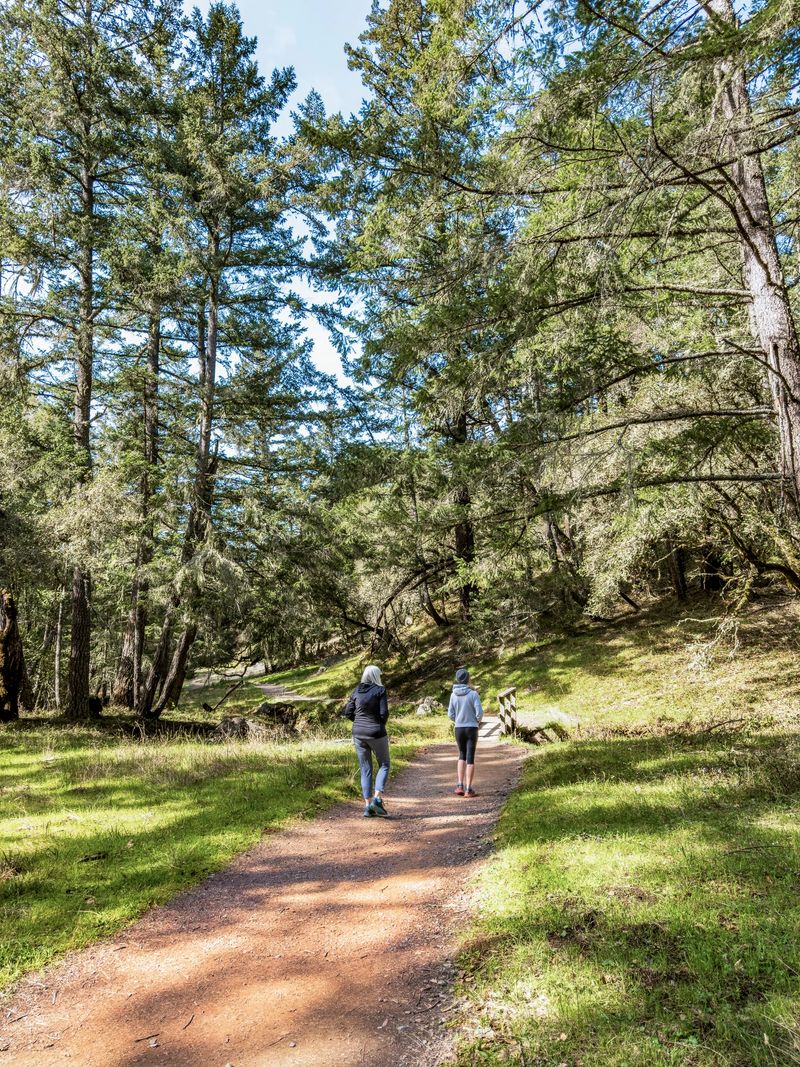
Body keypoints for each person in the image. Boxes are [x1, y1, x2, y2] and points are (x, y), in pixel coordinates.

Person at [342, 664, 391, 817]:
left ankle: (368, 807)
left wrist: (359, 722)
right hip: (376, 732)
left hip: (358, 733)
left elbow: (348, 712)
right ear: (377, 676)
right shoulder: (380, 690)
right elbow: (384, 714)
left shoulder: (356, 690)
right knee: (384, 764)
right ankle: (377, 799)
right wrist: (377, 724)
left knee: (365, 768)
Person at [448, 666, 483, 798]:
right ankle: (468, 789)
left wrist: (458, 720)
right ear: (468, 679)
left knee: (461, 754)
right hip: (472, 728)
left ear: (457, 679)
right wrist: (476, 721)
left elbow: (450, 714)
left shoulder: (453, 695)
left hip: (458, 728)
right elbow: (479, 713)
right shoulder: (473, 694)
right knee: (470, 757)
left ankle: (459, 786)